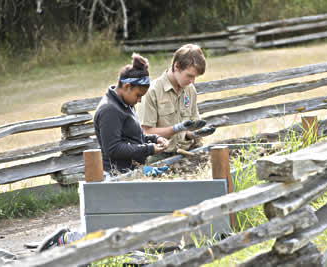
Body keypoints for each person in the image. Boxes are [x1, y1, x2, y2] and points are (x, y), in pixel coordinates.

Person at [37, 53, 169, 253]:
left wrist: (152, 139)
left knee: (123, 222)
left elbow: (132, 136)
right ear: (127, 87)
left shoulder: (125, 104)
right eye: (138, 96)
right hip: (111, 176)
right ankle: (64, 240)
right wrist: (149, 149)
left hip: (126, 173)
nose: (140, 101)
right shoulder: (109, 110)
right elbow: (113, 148)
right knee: (103, 229)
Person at [137, 44, 216, 162]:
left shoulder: (190, 90)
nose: (192, 81)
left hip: (187, 151)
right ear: (176, 66)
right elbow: (146, 133)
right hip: (160, 156)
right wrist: (176, 129)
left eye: (195, 77)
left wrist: (195, 134)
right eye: (189, 76)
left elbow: (190, 128)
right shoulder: (152, 92)